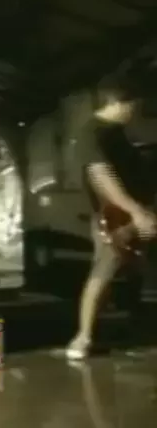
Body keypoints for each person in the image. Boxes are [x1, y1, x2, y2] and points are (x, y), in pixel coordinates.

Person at [66, 84, 157, 360]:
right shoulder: (92, 133)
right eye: (133, 107)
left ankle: (125, 328)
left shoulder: (115, 133)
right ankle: (83, 338)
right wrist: (136, 211)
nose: (135, 113)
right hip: (117, 217)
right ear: (118, 102)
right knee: (105, 269)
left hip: (135, 212)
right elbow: (102, 176)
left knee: (128, 270)